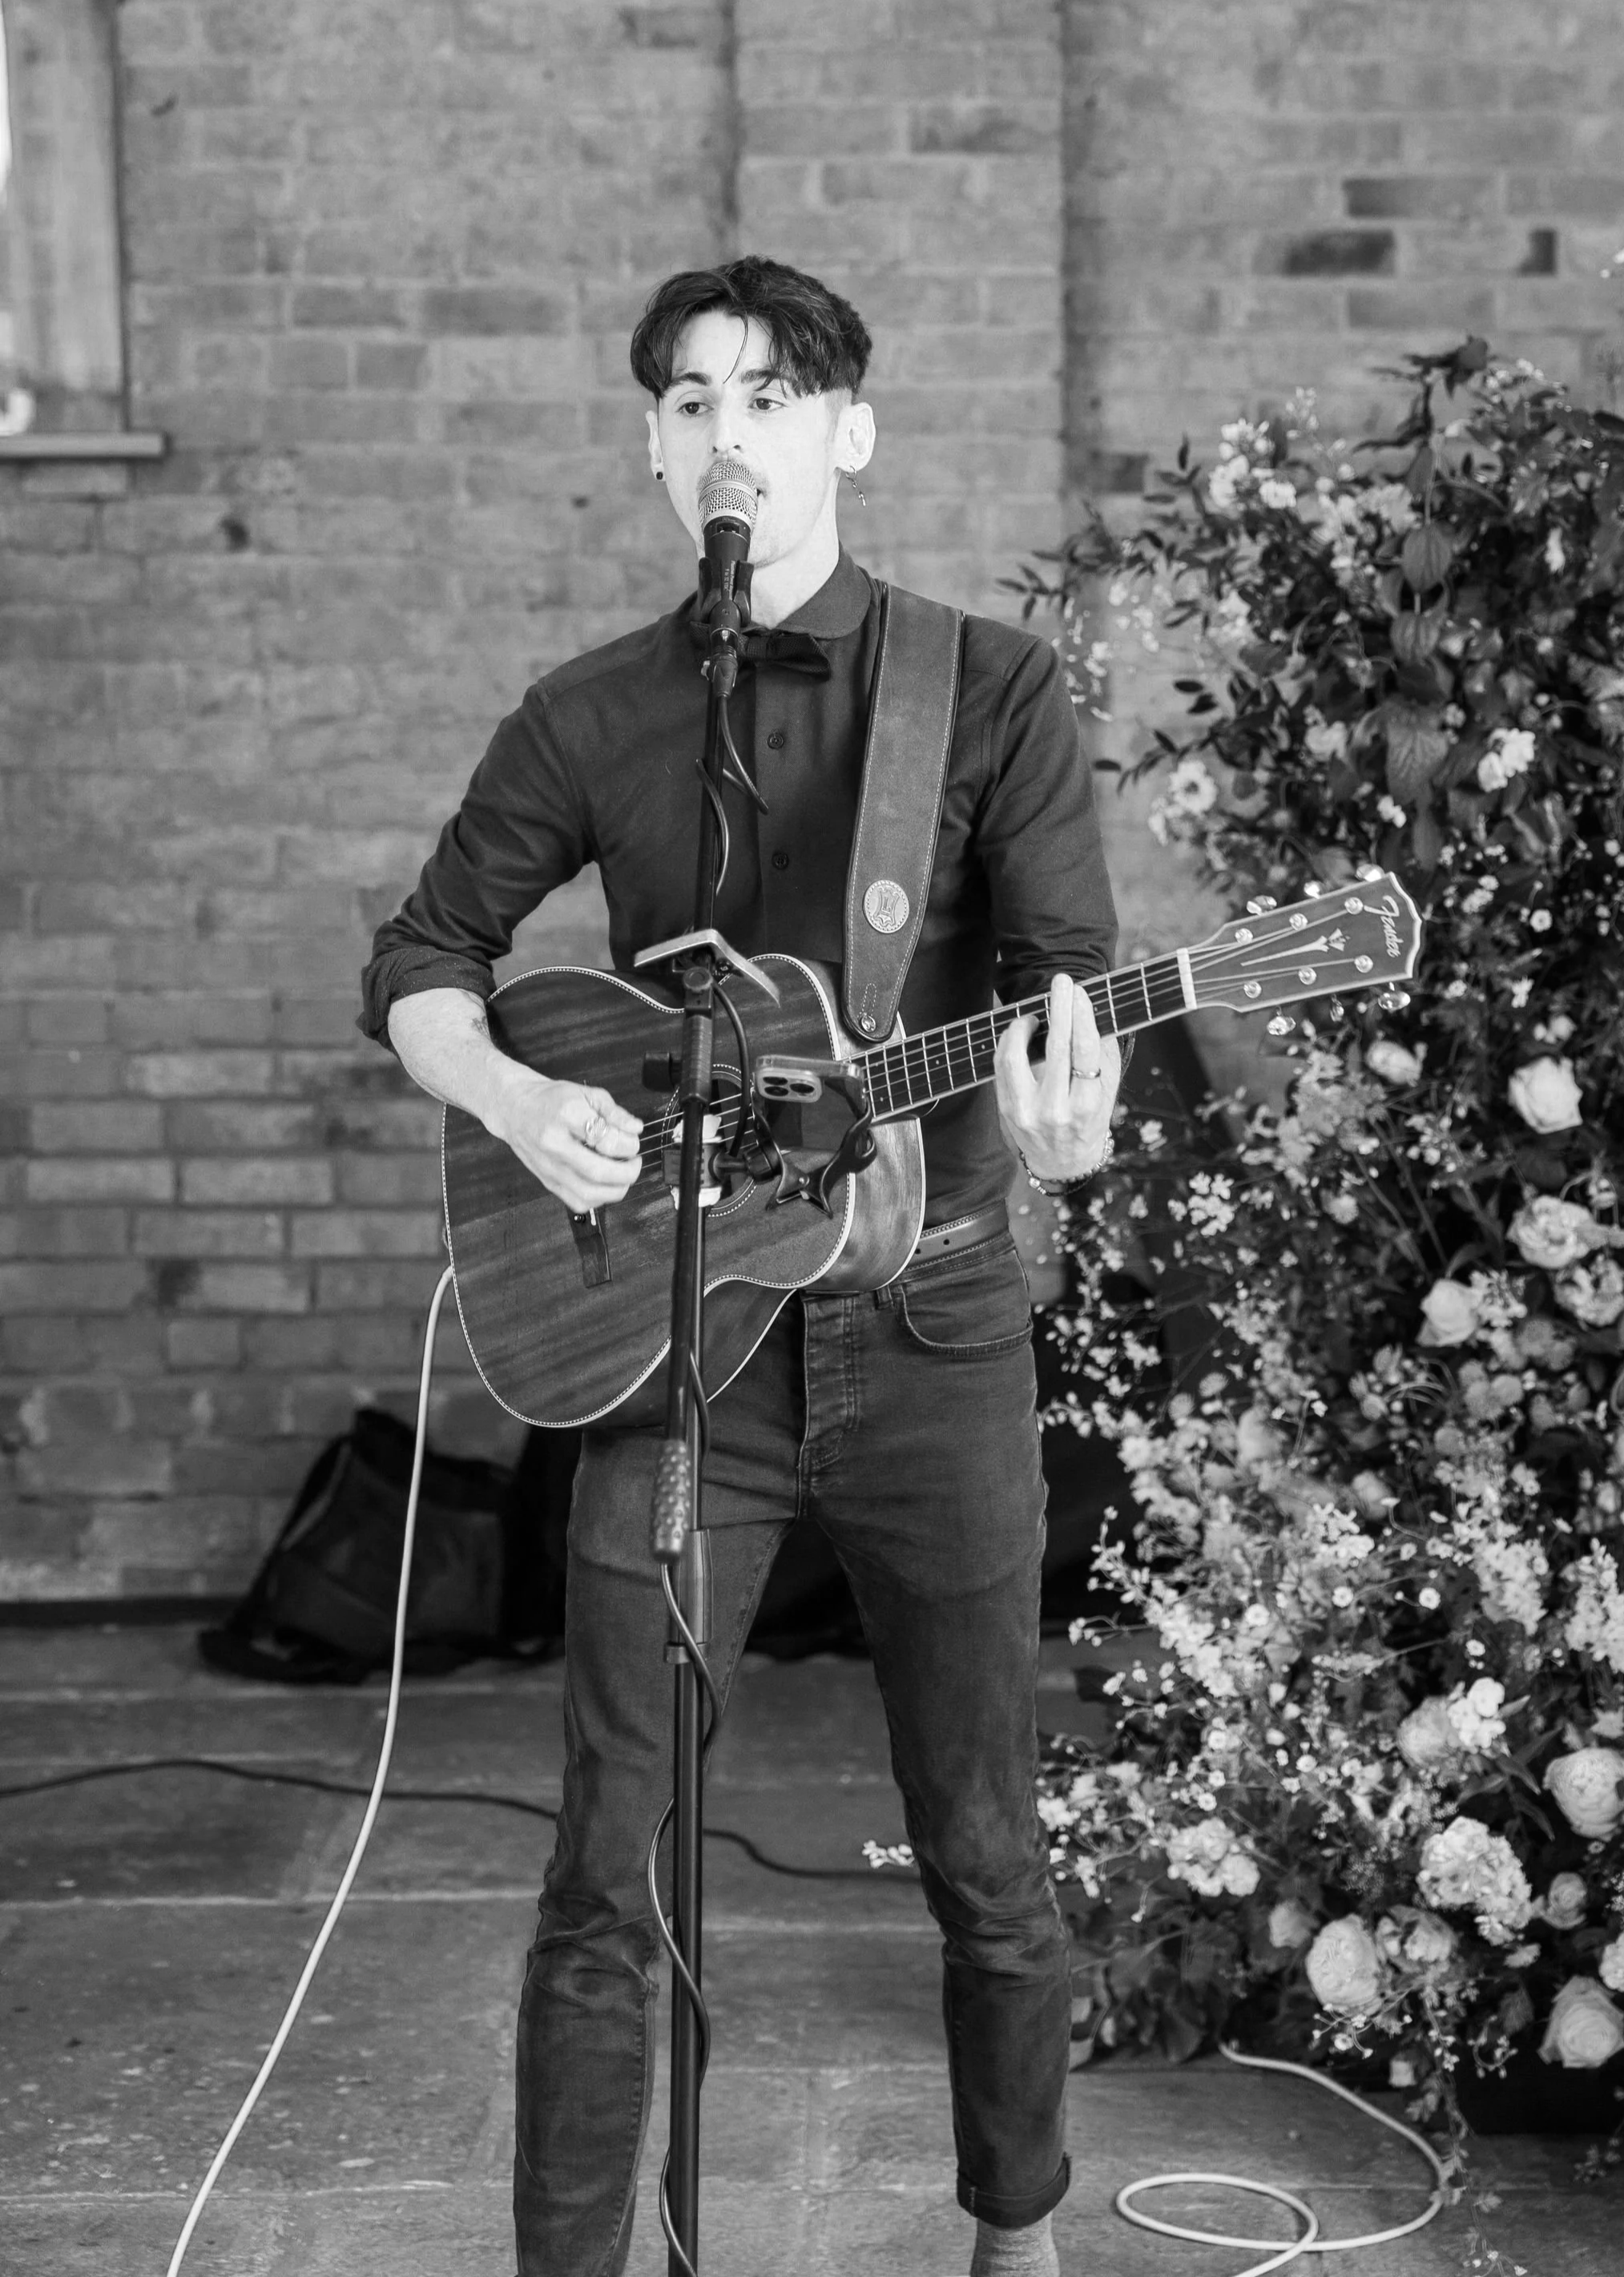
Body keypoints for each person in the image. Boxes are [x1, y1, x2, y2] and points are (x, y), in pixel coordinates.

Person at [360, 256, 1122, 2277]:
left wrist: (1073, 1129)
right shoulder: (593, 711)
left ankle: (1017, 2238)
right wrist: (516, 1098)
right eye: (692, 399)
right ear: (652, 445)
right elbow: (423, 958)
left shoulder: (987, 691)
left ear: (846, 430)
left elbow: (1067, 1001)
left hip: (931, 1321)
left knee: (981, 1839)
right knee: (606, 1865)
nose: (730, 432)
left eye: (770, 395)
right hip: (673, 1335)